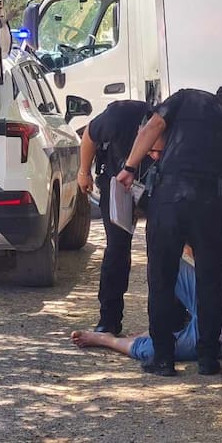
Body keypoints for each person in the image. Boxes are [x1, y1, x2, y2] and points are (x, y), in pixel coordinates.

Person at [116, 84, 222, 376]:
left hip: (170, 199)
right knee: (211, 283)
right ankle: (208, 359)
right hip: (211, 206)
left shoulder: (187, 98)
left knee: (162, 278)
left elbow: (154, 126)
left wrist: (129, 167)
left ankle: (163, 358)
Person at [70, 217, 222, 365]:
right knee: (165, 264)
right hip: (208, 300)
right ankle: (164, 326)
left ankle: (107, 340)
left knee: (152, 350)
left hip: (218, 335)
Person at [76, 99, 152, 335]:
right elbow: (89, 134)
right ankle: (109, 319)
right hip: (116, 182)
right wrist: (83, 172)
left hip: (154, 185)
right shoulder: (118, 117)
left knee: (163, 249)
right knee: (117, 249)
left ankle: (171, 319)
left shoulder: (167, 125)